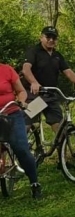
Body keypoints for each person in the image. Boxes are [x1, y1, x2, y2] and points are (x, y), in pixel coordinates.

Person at [22, 26, 75, 132]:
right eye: (48, 37)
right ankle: (17, 147)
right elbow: (26, 69)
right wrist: (34, 82)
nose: (51, 40)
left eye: (54, 38)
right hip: (36, 94)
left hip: (50, 94)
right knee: (26, 124)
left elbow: (68, 72)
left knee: (58, 125)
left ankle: (61, 147)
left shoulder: (57, 56)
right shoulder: (34, 52)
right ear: (41, 37)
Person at [0, 62, 42, 199]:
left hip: (11, 114)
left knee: (21, 148)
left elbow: (21, 91)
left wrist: (22, 101)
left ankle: (34, 183)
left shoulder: (7, 70)